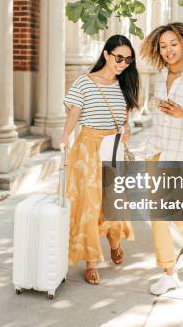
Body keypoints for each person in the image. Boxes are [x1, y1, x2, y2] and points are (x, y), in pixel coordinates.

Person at [58, 34, 139, 285]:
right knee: (89, 205)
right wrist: (64, 137)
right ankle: (91, 261)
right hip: (86, 149)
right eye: (119, 57)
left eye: (128, 59)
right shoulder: (84, 82)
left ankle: (114, 243)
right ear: (106, 54)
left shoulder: (124, 84)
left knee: (113, 203)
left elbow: (125, 118)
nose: (123, 63)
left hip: (112, 147)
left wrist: (126, 130)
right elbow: (75, 112)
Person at [139, 22, 183, 295]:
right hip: (156, 151)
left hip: (182, 154)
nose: (168, 50)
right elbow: (157, 114)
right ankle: (169, 272)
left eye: (173, 44)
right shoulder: (160, 76)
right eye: (163, 45)